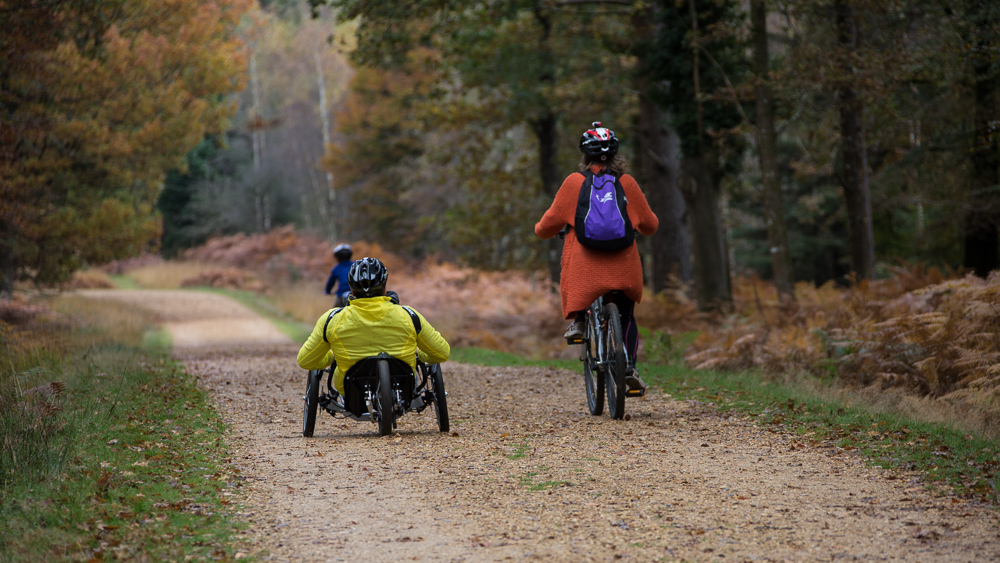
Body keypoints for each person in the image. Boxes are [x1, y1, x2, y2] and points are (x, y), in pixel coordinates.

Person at [534, 122, 659, 393]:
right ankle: (629, 368)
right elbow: (650, 225)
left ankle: (579, 320)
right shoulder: (627, 183)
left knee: (577, 275)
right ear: (616, 154)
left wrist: (548, 229)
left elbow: (545, 228)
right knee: (626, 314)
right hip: (623, 266)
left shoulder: (574, 183)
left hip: (585, 269)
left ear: (584, 155)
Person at [297, 257, 450, 399]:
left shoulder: (331, 319)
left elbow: (305, 361)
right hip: (403, 387)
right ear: (385, 287)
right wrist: (421, 356)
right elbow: (441, 353)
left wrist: (330, 358)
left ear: (351, 290)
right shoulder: (409, 315)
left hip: (351, 391)